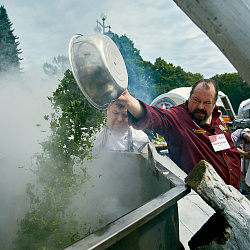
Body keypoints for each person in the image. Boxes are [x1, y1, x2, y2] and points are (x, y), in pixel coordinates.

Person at [116, 79, 241, 190]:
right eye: (196, 100)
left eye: (207, 103)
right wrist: (129, 101)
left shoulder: (218, 119)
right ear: (190, 98)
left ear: (214, 104)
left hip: (235, 195)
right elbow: (155, 116)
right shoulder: (178, 117)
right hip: (204, 206)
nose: (200, 107)